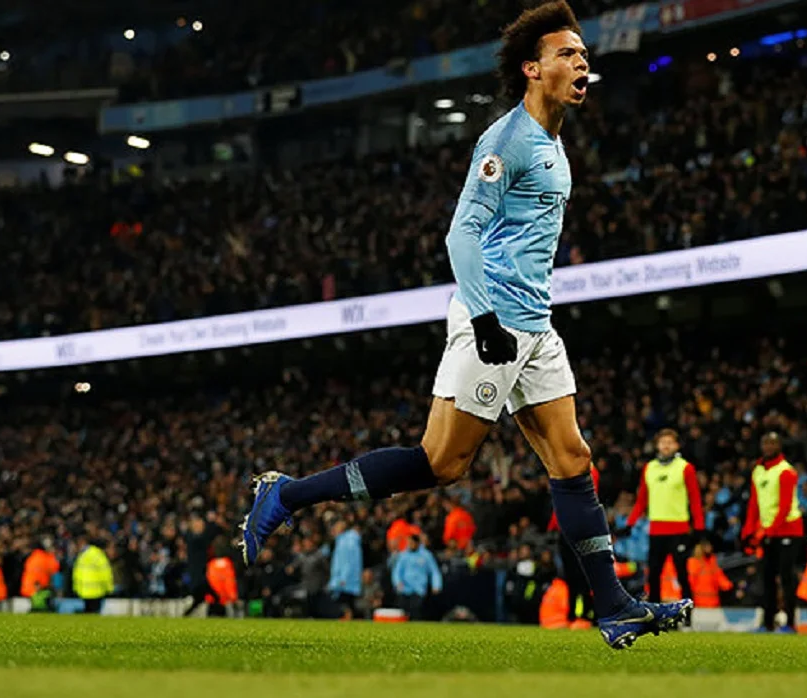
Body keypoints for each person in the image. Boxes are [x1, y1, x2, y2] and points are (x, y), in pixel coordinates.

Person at [238, 0, 690, 650]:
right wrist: (482, 317)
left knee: (572, 458)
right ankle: (287, 495)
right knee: (442, 463)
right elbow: (461, 235)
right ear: (533, 68)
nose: (581, 62)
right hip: (495, 316)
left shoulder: (555, 142)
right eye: (567, 53)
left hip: (535, 323)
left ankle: (615, 606)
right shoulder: (507, 140)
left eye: (583, 53)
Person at [627, 428, 704, 603]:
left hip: (679, 530)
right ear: (657, 445)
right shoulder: (649, 468)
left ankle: (687, 613)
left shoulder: (685, 468)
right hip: (656, 530)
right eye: (663, 442)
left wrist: (699, 527)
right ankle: (656, 611)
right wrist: (630, 523)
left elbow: (695, 500)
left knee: (682, 574)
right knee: (653, 575)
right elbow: (642, 500)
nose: (666, 446)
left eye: (670, 442)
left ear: (677, 446)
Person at [741, 433, 804, 632]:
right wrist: (749, 530)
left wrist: (767, 531)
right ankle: (768, 623)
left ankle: (790, 622)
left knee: (786, 577)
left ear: (779, 446)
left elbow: (784, 507)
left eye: (772, 443)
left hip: (788, 530)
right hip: (768, 531)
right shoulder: (758, 470)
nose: (768, 447)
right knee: (767, 577)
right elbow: (754, 503)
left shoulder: (786, 471)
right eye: (765, 443)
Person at [549, 465, 600, 623]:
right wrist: (553, 524)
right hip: (566, 529)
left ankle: (585, 612)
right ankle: (573, 613)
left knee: (582, 573)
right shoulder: (564, 469)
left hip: (580, 527)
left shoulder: (589, 471)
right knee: (571, 574)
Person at [392, 535, 442, 621]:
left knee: (416, 610)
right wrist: (397, 582)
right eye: (409, 543)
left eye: (411, 543)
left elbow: (434, 571)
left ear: (417, 543)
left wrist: (436, 585)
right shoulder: (403, 555)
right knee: (403, 612)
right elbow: (397, 571)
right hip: (405, 588)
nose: (410, 544)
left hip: (419, 589)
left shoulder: (426, 555)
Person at [328, 518, 363, 620]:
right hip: (343, 577)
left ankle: (350, 619)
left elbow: (348, 561)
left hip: (345, 579)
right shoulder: (342, 540)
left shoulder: (348, 541)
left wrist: (344, 577)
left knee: (346, 602)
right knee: (347, 602)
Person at [72, 536, 114, 614]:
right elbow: (105, 573)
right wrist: (109, 588)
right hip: (97, 590)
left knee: (87, 611)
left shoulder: (83, 555)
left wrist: (76, 587)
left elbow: (76, 573)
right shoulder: (99, 555)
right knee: (95, 612)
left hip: (84, 590)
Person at [687, 539, 733, 608]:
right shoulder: (694, 562)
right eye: (707, 546)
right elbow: (691, 581)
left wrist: (729, 585)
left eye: (710, 546)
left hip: (714, 602)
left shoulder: (713, 561)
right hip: (700, 602)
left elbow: (720, 577)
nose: (710, 548)